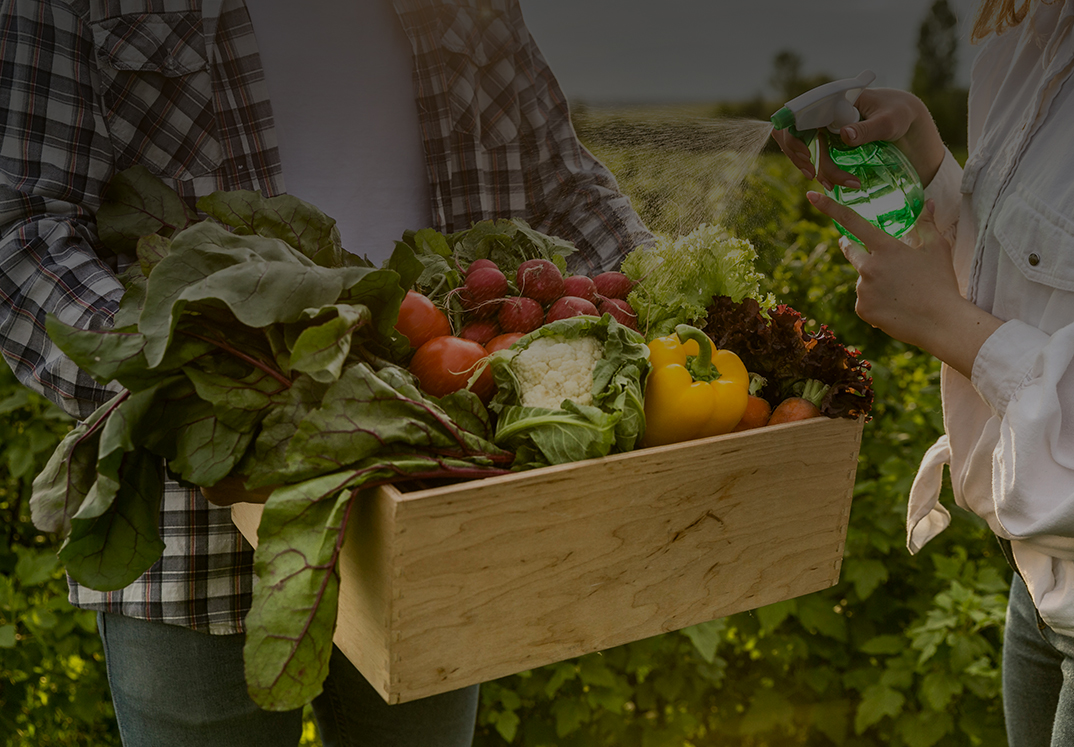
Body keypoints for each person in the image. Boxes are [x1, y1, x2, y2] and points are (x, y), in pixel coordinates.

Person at [0, 0, 652, 745]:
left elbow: (563, 187)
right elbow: (24, 230)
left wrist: (683, 295)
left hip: (436, 483)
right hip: (199, 509)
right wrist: (196, 379)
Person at [774, 0, 1074, 743]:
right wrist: (932, 173)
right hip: (1040, 574)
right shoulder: (1024, 45)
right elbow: (1048, 281)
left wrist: (945, 321)